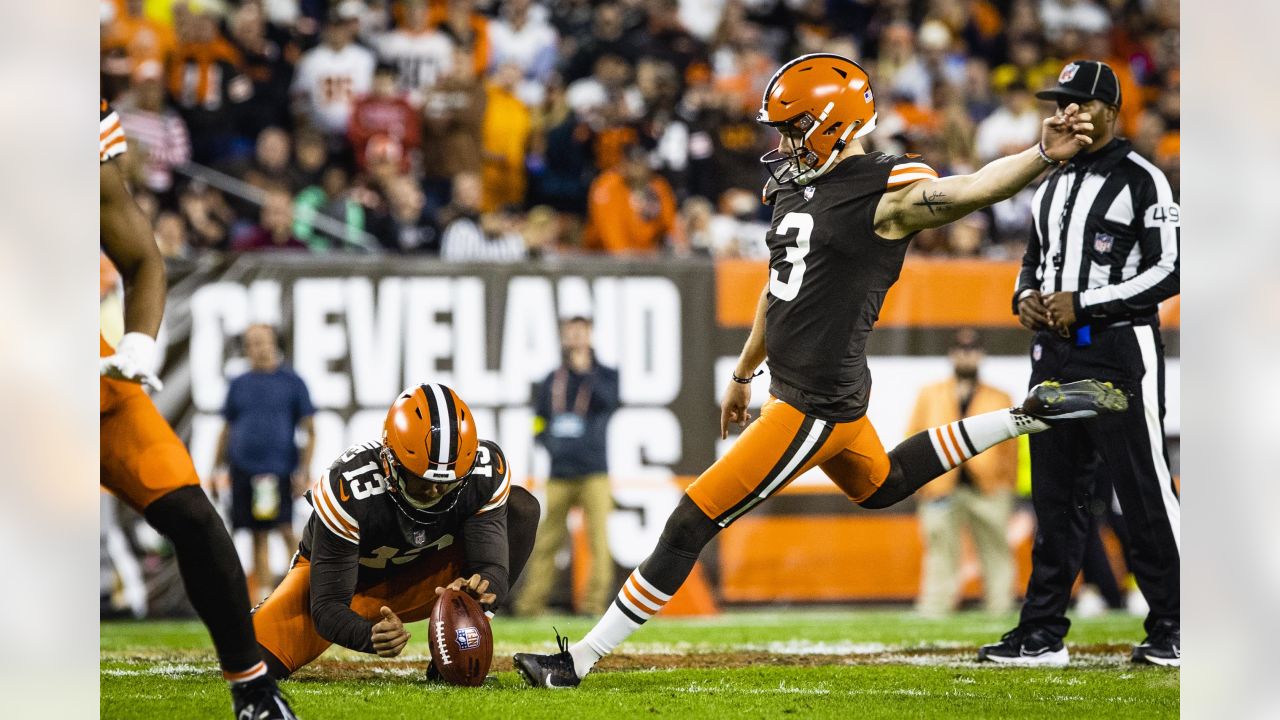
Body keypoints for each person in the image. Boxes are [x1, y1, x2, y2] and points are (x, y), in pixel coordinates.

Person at [513, 52, 1127, 689]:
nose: (783, 143)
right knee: (882, 483)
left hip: (813, 403)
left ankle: (577, 660)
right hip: (806, 390)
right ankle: (1030, 413)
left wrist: (1042, 155)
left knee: (690, 521)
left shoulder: (883, 189)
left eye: (794, 127)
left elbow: (968, 190)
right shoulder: (792, 184)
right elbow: (778, 292)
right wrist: (744, 371)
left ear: (832, 122)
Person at [98, 99, 296, 719]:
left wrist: (136, 340)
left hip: (82, 373)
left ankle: (254, 691)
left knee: (192, 513)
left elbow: (140, 257)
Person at [979, 60, 1180, 668]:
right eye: (1059, 102)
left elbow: (1171, 267)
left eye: (1079, 103)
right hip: (1057, 355)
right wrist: (1025, 297)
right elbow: (1033, 259)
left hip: (1117, 350)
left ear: (1110, 111)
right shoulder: (1052, 179)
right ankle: (1041, 633)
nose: (1066, 112)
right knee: (1057, 499)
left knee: (1142, 493)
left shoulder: (1142, 178)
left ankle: (1177, 626)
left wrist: (1085, 301)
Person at [251, 384, 540, 679]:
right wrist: (368, 634)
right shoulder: (350, 487)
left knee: (521, 508)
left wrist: (482, 587)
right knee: (252, 663)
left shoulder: (482, 473)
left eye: (448, 482)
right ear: (390, 463)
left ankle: (460, 643)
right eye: (421, 479)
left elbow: (492, 567)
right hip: (352, 587)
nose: (435, 490)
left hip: (430, 577)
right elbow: (327, 607)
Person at [515, 317, 621, 617]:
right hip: (559, 473)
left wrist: (585, 371)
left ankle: (594, 605)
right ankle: (529, 605)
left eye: (581, 332)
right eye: (570, 333)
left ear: (590, 335)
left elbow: (609, 401)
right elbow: (539, 418)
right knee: (548, 541)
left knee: (599, 540)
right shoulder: (552, 380)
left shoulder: (606, 375)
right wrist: (546, 442)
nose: (575, 337)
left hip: (594, 472)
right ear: (563, 338)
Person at [909, 329, 1017, 617]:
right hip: (942, 485)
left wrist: (1006, 485)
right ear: (952, 354)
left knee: (995, 550)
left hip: (988, 487)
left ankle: (1000, 605)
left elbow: (1011, 449)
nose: (966, 355)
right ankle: (935, 606)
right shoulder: (930, 394)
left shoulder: (1000, 395)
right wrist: (921, 484)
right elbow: (914, 437)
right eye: (961, 349)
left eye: (972, 349)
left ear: (981, 354)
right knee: (940, 552)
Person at [213, 324, 317, 603]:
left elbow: (310, 429)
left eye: (263, 342)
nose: (258, 348)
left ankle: (303, 587)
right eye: (251, 343)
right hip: (244, 468)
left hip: (277, 469)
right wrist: (217, 467)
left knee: (283, 527)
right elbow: (227, 428)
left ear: (275, 343)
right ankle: (264, 596)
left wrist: (303, 470)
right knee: (257, 533)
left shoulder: (292, 382)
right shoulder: (239, 383)